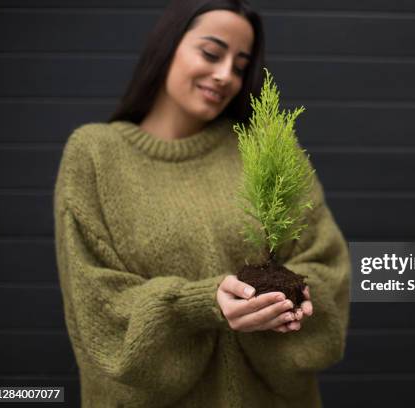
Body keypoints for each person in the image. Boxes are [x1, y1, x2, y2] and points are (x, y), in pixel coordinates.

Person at [53, 0, 351, 406]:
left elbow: (328, 267)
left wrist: (287, 303)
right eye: (211, 53)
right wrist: (200, 305)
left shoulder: (266, 150)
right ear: (168, 46)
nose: (225, 75)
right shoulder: (95, 155)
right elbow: (96, 308)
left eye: (240, 65)